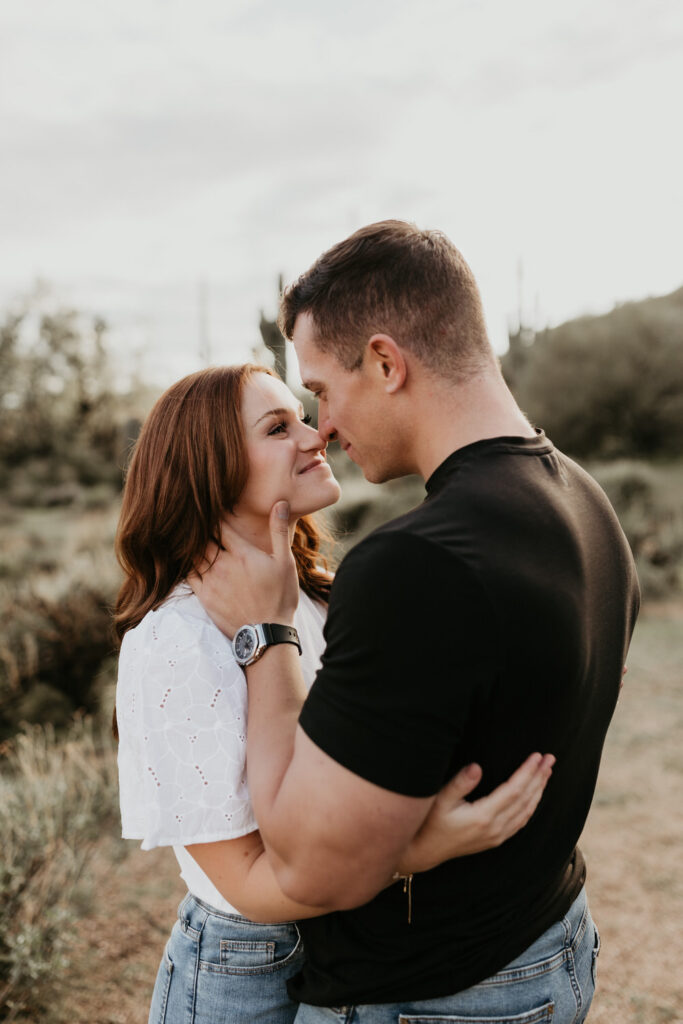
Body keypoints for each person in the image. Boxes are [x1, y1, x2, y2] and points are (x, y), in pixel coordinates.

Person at [192, 221, 641, 1024]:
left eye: (323, 391)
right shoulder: (581, 498)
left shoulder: (419, 564)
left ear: (386, 362)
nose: (320, 426)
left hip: (431, 994)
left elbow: (307, 862)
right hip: (544, 942)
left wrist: (268, 635)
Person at [114, 363, 554, 1024]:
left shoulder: (315, 596)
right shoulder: (175, 641)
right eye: (277, 427)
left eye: (303, 414)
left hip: (346, 945)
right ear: (212, 470)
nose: (316, 434)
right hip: (246, 966)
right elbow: (249, 882)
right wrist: (411, 850)